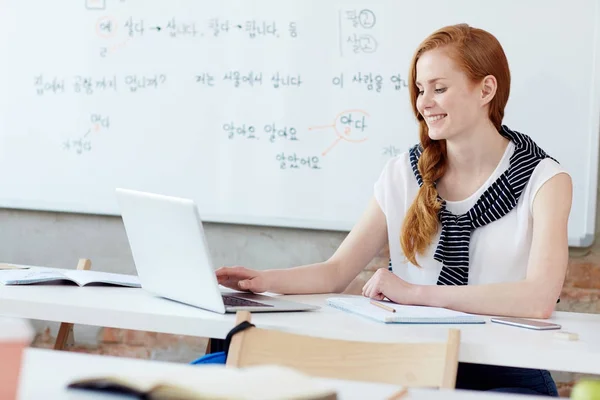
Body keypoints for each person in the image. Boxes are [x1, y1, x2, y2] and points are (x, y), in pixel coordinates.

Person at [216, 23, 571, 396]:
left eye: (440, 88)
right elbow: (336, 272)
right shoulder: (404, 173)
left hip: (506, 375)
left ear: (486, 89)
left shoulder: (545, 180)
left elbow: (538, 299)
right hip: (410, 365)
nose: (424, 102)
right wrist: (261, 281)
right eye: (420, 90)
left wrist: (417, 294)